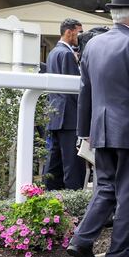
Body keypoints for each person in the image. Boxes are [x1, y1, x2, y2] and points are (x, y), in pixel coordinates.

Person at [68, 0, 129, 257]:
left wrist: (84, 131)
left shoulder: (92, 45)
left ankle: (81, 240)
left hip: (100, 128)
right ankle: (120, 252)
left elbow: (85, 90)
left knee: (105, 187)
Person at [44, 19, 84, 191]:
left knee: (55, 160)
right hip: (69, 115)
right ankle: (73, 201)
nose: (81, 37)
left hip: (55, 115)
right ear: (69, 32)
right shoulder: (66, 54)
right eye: (79, 32)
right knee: (72, 164)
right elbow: (74, 88)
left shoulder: (53, 53)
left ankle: (50, 195)